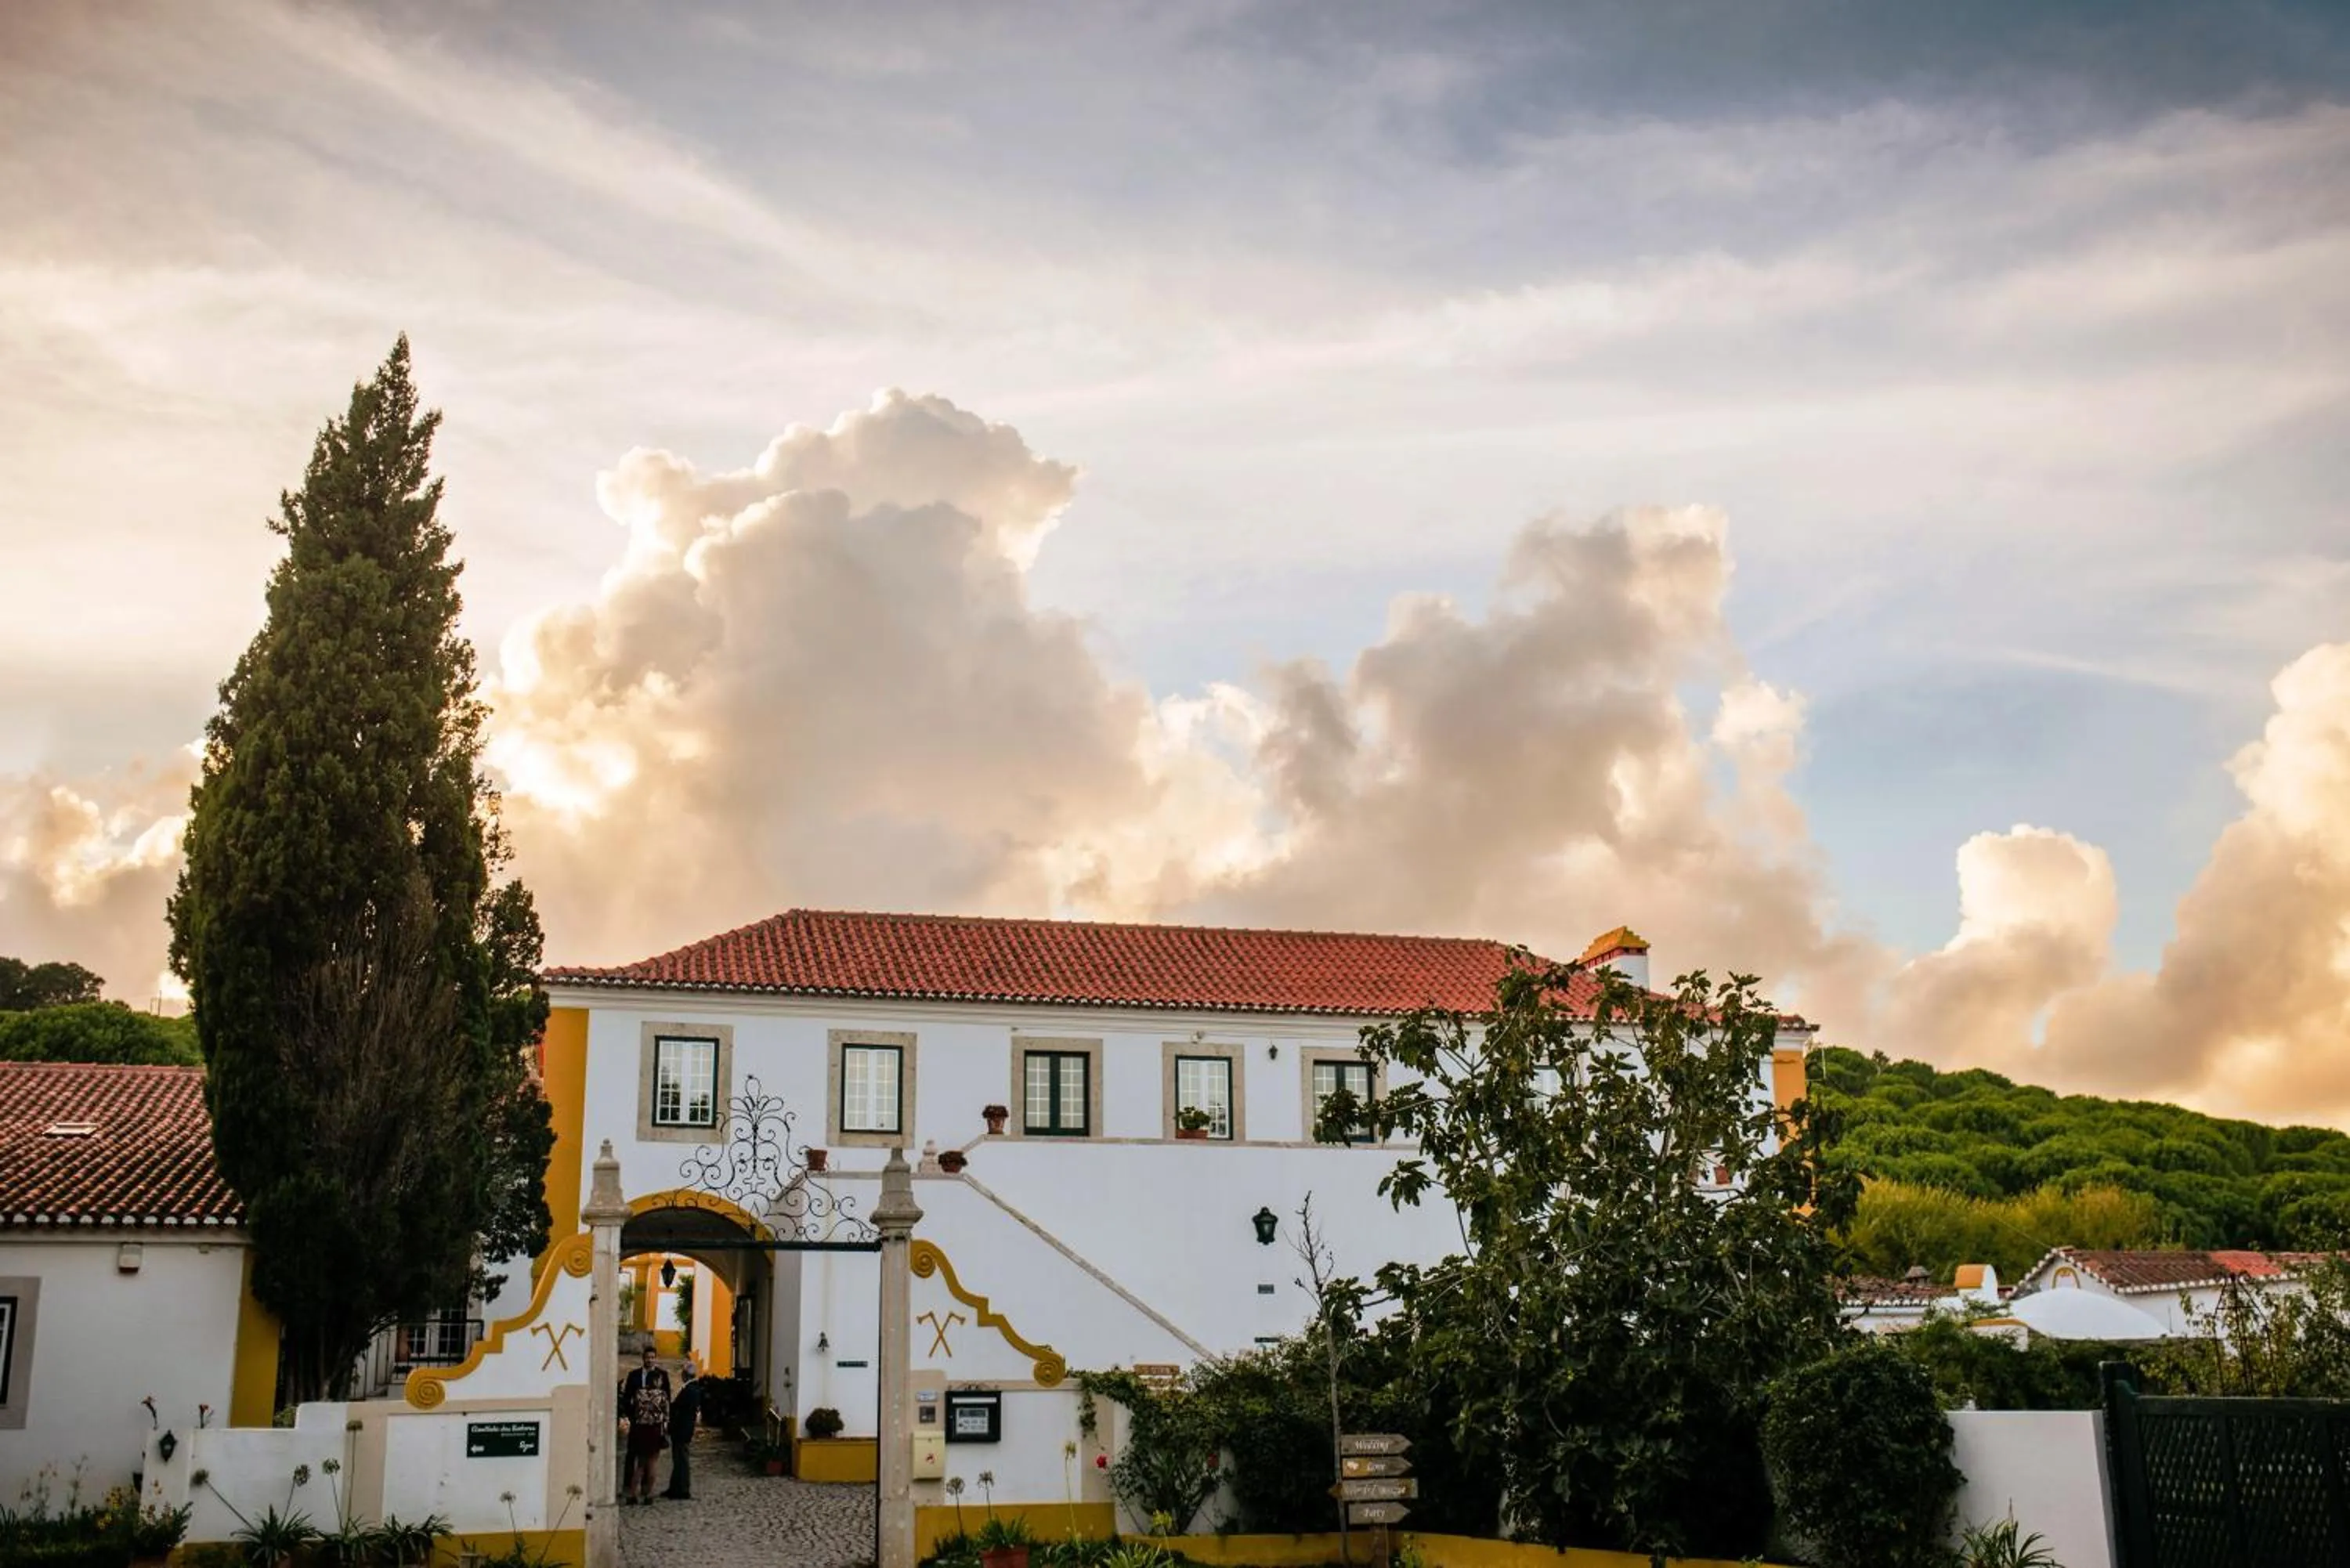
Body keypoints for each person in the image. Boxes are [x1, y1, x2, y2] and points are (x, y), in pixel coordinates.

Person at [618, 1346, 672, 1505]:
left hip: (641, 1426)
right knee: (652, 1462)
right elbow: (666, 1408)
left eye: (652, 1357)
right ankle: (648, 1494)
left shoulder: (640, 1394)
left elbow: (631, 1401)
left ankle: (633, 1493)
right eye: (648, 1357)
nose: (650, 1360)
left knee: (641, 1463)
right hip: (654, 1428)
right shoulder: (658, 1393)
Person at [662, 1364, 705, 1501]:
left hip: (682, 1429)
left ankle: (682, 1489)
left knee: (681, 1460)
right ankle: (675, 1487)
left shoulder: (690, 1390)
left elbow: (680, 1411)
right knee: (678, 1459)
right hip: (682, 1429)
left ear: (684, 1375)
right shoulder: (692, 1388)